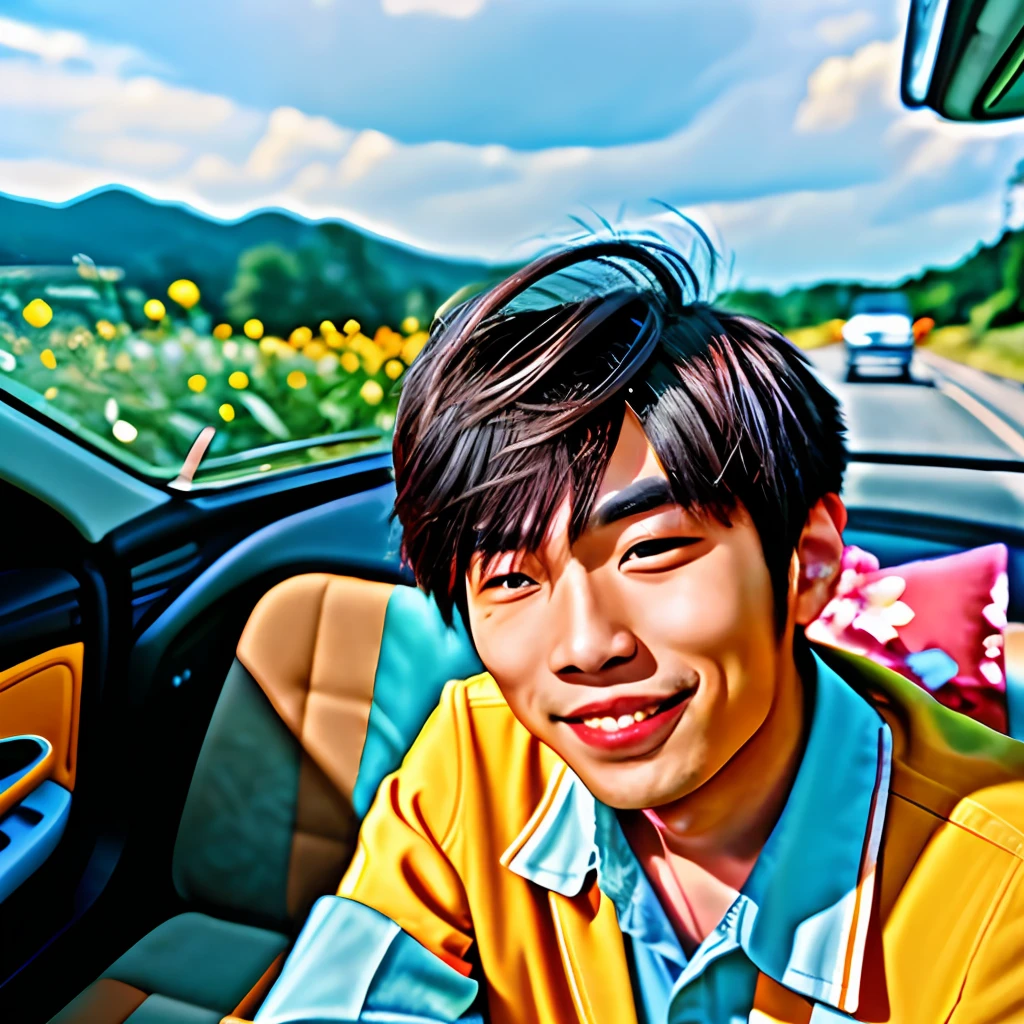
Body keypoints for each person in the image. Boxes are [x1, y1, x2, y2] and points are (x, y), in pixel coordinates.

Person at [253, 239, 1024, 1024]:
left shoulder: (1003, 889)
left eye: (651, 550)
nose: (586, 646)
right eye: (511, 579)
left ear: (810, 563)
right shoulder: (474, 758)